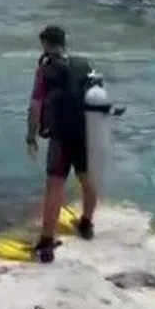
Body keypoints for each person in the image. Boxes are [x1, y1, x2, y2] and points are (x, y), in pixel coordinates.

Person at [26, 25, 96, 263]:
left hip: (61, 137)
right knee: (87, 179)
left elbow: (35, 106)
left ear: (46, 44)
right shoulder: (85, 65)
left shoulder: (45, 70)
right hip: (86, 133)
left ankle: (47, 243)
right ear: (64, 43)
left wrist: (31, 136)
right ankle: (86, 224)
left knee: (55, 185)